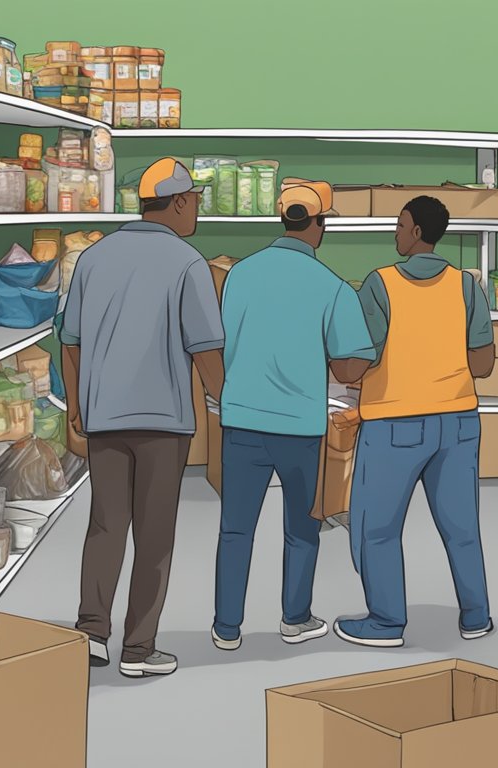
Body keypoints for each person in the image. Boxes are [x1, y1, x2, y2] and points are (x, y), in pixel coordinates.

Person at [60, 157, 225, 678]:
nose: (196, 208)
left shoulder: (94, 258)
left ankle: (91, 632)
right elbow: (206, 351)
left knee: (106, 526)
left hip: (105, 417)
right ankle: (138, 648)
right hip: (163, 423)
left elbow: (70, 342)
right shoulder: (187, 263)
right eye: (194, 199)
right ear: (177, 202)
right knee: (155, 536)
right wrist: (227, 407)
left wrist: (76, 408)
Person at [213, 179, 376, 651]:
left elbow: (223, 342)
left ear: (284, 220)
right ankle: (294, 618)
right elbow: (349, 366)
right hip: (299, 427)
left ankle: (226, 627)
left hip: (241, 420)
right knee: (302, 528)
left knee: (235, 527)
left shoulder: (239, 274)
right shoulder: (331, 287)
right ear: (319, 225)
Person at [334, 195, 497, 648]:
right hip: (459, 421)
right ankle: (476, 617)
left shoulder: (379, 285)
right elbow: (482, 364)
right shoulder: (466, 285)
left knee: (378, 528)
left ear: (417, 232)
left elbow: (354, 364)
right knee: (462, 527)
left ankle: (386, 622)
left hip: (395, 423)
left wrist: (337, 366)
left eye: (401, 225)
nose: (396, 232)